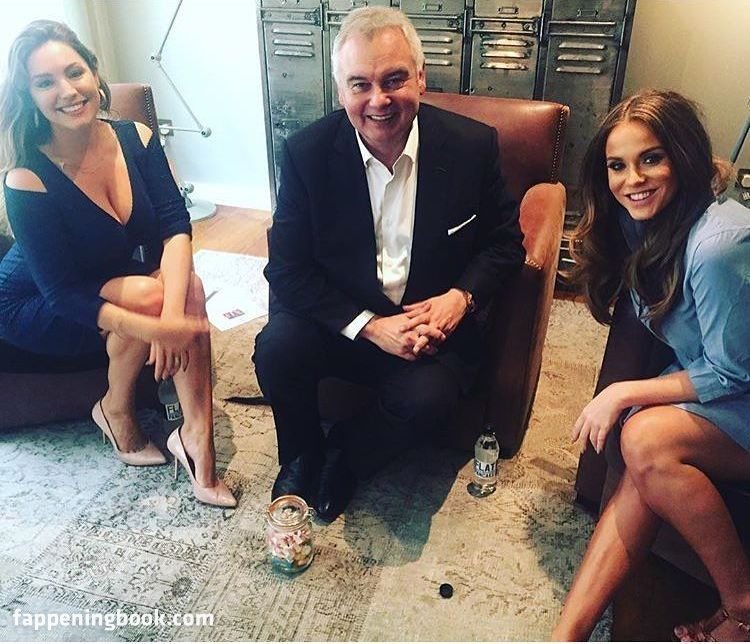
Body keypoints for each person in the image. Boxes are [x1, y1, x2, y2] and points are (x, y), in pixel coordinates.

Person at [253, 6, 524, 522]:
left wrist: (460, 299)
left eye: (394, 79)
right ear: (340, 91)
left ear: (421, 77)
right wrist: (370, 326)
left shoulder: (472, 147)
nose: (378, 100)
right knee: (276, 349)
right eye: (360, 84)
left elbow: (505, 243)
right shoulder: (306, 155)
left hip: (427, 334)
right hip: (343, 320)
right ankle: (302, 453)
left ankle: (347, 454)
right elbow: (287, 269)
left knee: (430, 400)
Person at [0, 20, 235, 508]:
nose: (68, 91)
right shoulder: (25, 176)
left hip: (100, 281)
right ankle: (115, 411)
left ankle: (197, 440)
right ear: (29, 97)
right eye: (45, 82)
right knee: (151, 296)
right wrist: (159, 328)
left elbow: (175, 227)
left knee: (183, 288)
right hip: (33, 303)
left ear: (93, 72)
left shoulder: (136, 138)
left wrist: (172, 318)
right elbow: (61, 292)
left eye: (74, 72)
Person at [552, 89, 750, 641]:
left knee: (643, 438)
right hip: (724, 389)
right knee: (643, 457)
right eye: (617, 165)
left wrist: (622, 392)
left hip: (739, 387)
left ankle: (743, 606)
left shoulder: (719, 244)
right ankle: (566, 635)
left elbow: (734, 371)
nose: (631, 179)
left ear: (682, 156)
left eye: (651, 158)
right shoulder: (645, 222)